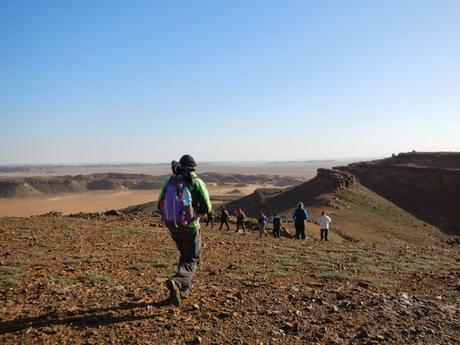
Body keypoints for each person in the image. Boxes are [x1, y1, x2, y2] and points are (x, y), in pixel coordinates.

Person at [157, 154, 212, 306]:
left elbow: (159, 203)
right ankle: (177, 281)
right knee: (192, 257)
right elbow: (207, 207)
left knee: (185, 256)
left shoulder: (171, 181)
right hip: (190, 226)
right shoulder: (195, 182)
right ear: (194, 167)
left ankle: (181, 291)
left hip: (173, 226)